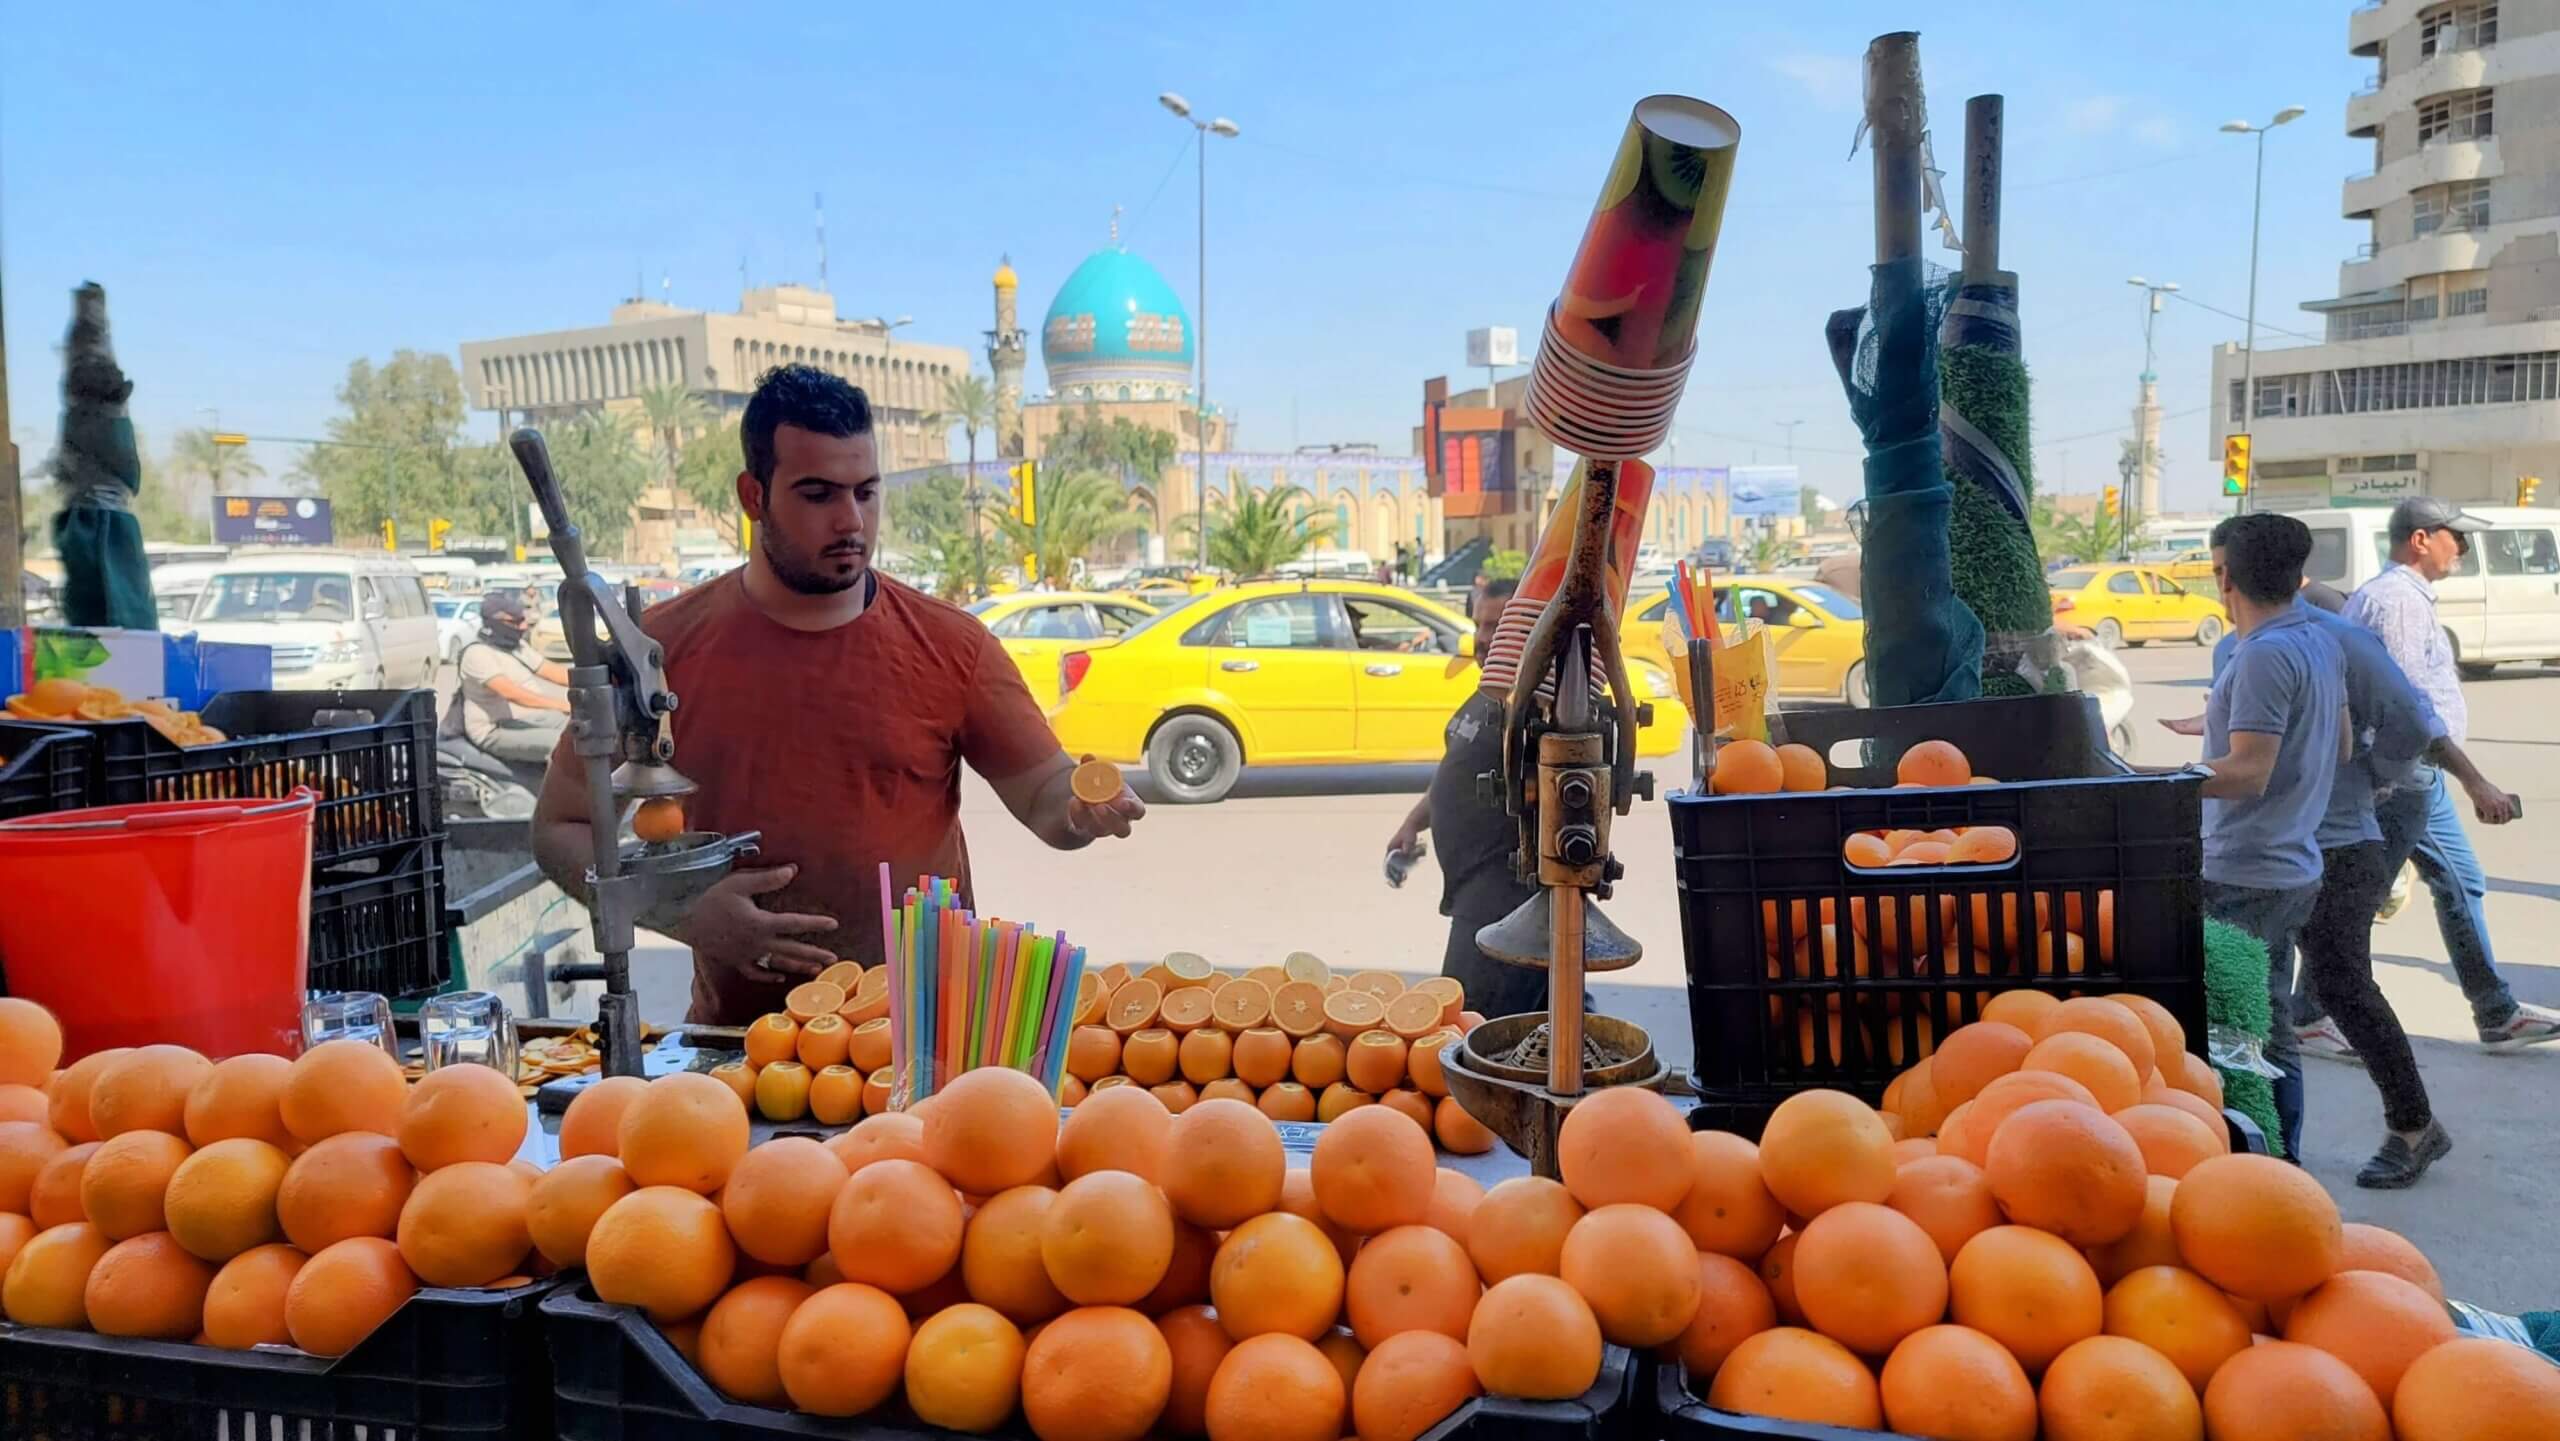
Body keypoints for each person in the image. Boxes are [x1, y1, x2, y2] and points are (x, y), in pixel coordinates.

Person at [532, 365, 1144, 1025]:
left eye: (867, 491)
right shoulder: (659, 653)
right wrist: (679, 913)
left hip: (925, 1048)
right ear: (753, 495)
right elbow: (558, 828)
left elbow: (1047, 795)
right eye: (818, 494)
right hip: (741, 1054)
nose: (851, 520)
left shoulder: (952, 646)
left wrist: (1083, 811)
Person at [2342, 497, 2558, 1051]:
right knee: (2361, 896)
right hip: (2402, 773)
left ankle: (2495, 1011)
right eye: (2452, 536)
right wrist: (2475, 780)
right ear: (2420, 540)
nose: (2460, 547)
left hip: (2417, 774)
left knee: (2460, 882)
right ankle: (2310, 1010)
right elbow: (2410, 707)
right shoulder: (2399, 602)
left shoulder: (2402, 597)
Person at [2191, 512, 2351, 1162]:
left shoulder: (2262, 654)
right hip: (2291, 863)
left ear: (2224, 574)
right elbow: (2337, 745)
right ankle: (2284, 1159)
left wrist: (2152, 779)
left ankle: (2263, 1167)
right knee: (2271, 1021)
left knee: (2237, 1031)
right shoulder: (2319, 640)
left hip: (2244, 871)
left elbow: (2249, 772)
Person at [1383, 578, 1551, 1019]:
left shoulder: (1541, 708)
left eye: (1497, 626)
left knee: (1469, 1022)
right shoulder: (1486, 695)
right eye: (1479, 624)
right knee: (1533, 1024)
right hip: (1473, 892)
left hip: (1505, 901)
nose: (1482, 637)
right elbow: (1455, 766)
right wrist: (1414, 821)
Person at [446, 591, 572, 764]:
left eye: (523, 619)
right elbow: (512, 693)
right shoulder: (477, 653)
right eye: (516, 621)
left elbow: (550, 671)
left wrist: (600, 680)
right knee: (566, 746)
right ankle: (559, 791)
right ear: (494, 623)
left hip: (524, 719)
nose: (524, 626)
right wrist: (562, 705)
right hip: (493, 729)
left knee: (584, 729)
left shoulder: (516, 646)